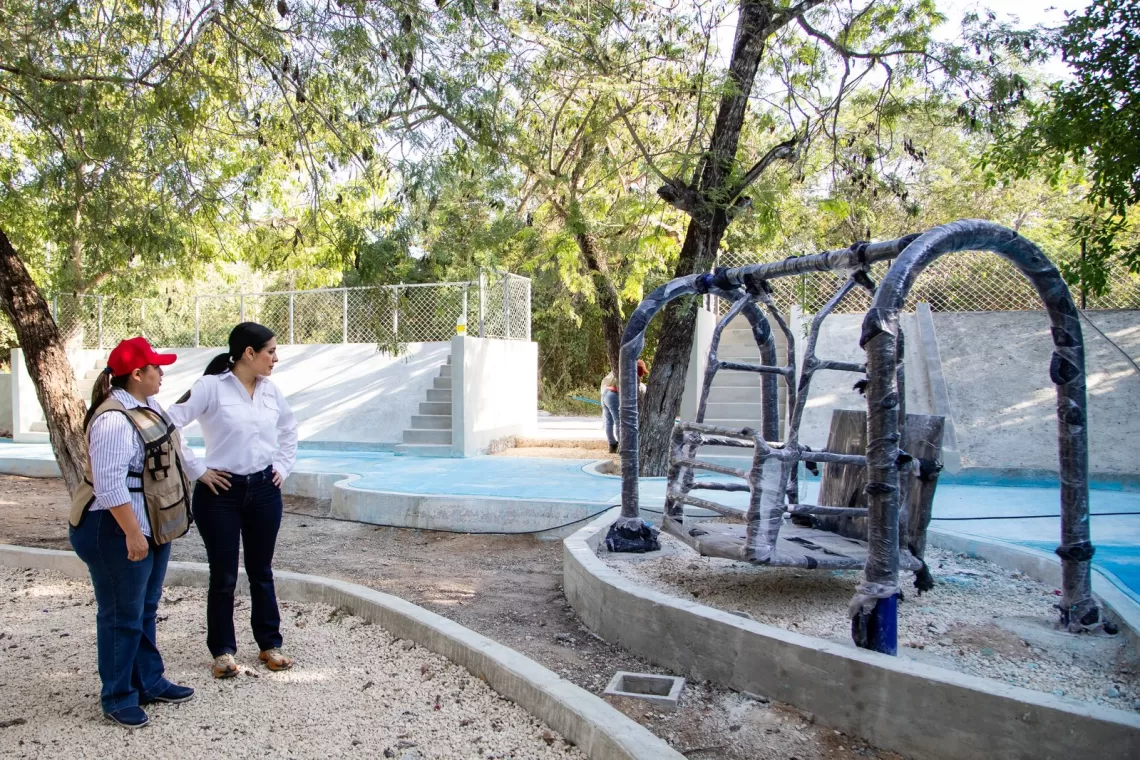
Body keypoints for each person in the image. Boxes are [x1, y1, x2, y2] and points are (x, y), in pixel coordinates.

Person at [68, 337, 202, 729]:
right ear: (137, 374)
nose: (162, 373)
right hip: (115, 528)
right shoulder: (113, 420)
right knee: (120, 614)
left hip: (149, 525)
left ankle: (148, 680)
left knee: (144, 607)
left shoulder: (148, 407)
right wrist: (132, 534)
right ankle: (117, 695)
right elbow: (109, 486)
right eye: (156, 368)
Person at [167, 322, 298, 679]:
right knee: (223, 576)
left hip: (264, 491)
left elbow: (289, 431)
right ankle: (223, 652)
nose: (275, 358)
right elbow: (170, 421)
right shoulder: (211, 387)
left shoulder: (271, 392)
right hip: (219, 493)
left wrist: (282, 468)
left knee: (262, 572)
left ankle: (270, 644)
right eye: (270, 351)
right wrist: (197, 470)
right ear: (248, 353)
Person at [599, 359, 648, 454]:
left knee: (609, 422)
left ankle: (612, 445)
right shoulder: (631, 375)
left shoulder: (623, 369)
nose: (643, 375)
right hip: (613, 395)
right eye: (642, 372)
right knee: (619, 422)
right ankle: (623, 447)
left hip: (605, 394)